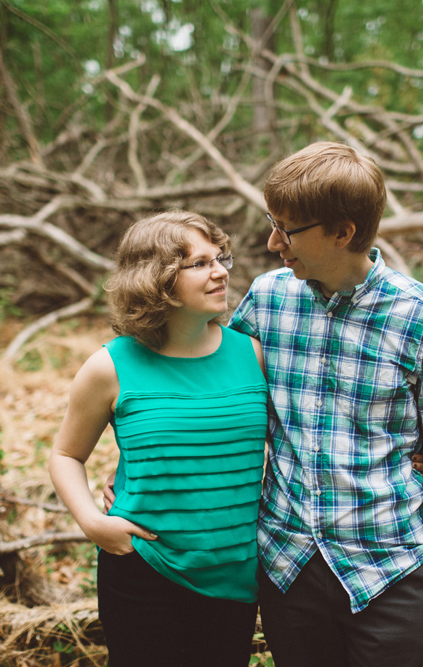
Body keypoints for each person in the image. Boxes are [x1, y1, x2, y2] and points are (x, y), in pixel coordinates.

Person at [228, 141, 423, 667]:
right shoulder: (266, 300)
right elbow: (217, 394)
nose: (273, 242)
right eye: (272, 223)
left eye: (288, 230)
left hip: (392, 567)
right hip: (288, 562)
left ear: (343, 232)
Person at [49, 210, 268, 667]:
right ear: (157, 279)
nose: (221, 271)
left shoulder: (252, 353)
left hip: (235, 572)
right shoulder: (110, 367)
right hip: (143, 568)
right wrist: (92, 522)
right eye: (201, 263)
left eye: (221, 258)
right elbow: (66, 454)